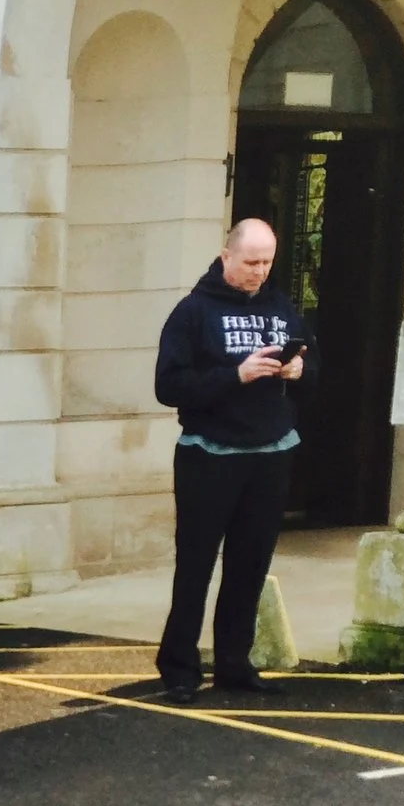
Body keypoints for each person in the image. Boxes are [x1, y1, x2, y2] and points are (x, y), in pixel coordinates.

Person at [152, 216, 315, 704]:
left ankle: (234, 663)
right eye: (250, 262)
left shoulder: (281, 306)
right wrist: (236, 375)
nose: (259, 272)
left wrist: (299, 367)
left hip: (270, 451)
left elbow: (315, 364)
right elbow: (169, 386)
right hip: (210, 453)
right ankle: (179, 667)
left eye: (267, 262)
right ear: (226, 257)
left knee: (249, 565)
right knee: (196, 564)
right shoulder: (193, 311)